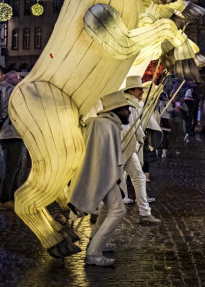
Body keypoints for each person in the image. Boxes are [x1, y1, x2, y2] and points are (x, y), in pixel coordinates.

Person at [70, 91, 135, 266]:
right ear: (118, 110)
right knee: (118, 211)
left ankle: (96, 240)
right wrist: (113, 177)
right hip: (105, 175)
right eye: (127, 108)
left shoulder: (100, 123)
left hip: (103, 173)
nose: (129, 112)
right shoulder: (108, 126)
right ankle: (93, 252)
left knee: (109, 209)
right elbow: (106, 157)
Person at [121, 76, 161, 225]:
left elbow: (136, 125)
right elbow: (130, 126)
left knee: (138, 177)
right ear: (131, 90)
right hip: (123, 147)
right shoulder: (130, 105)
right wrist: (139, 138)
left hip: (128, 147)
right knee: (115, 183)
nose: (141, 92)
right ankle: (98, 210)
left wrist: (140, 138)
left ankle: (145, 213)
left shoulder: (134, 104)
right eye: (139, 89)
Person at [0, 71, 22, 211]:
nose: (17, 80)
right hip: (9, 134)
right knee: (11, 169)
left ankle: (11, 197)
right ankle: (4, 200)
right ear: (8, 80)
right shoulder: (7, 90)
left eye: (18, 78)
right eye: (13, 78)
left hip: (12, 134)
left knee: (15, 169)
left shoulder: (7, 89)